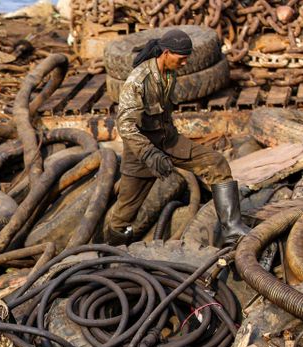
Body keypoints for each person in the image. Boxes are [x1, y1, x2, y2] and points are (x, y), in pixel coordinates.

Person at [104, 29, 249, 246]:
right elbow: (125, 125)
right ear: (166, 53)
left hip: (169, 141)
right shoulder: (138, 81)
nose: (185, 63)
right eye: (181, 59)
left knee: (216, 162)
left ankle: (232, 230)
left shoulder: (169, 73)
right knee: (126, 211)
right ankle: (110, 250)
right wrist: (149, 153)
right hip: (141, 149)